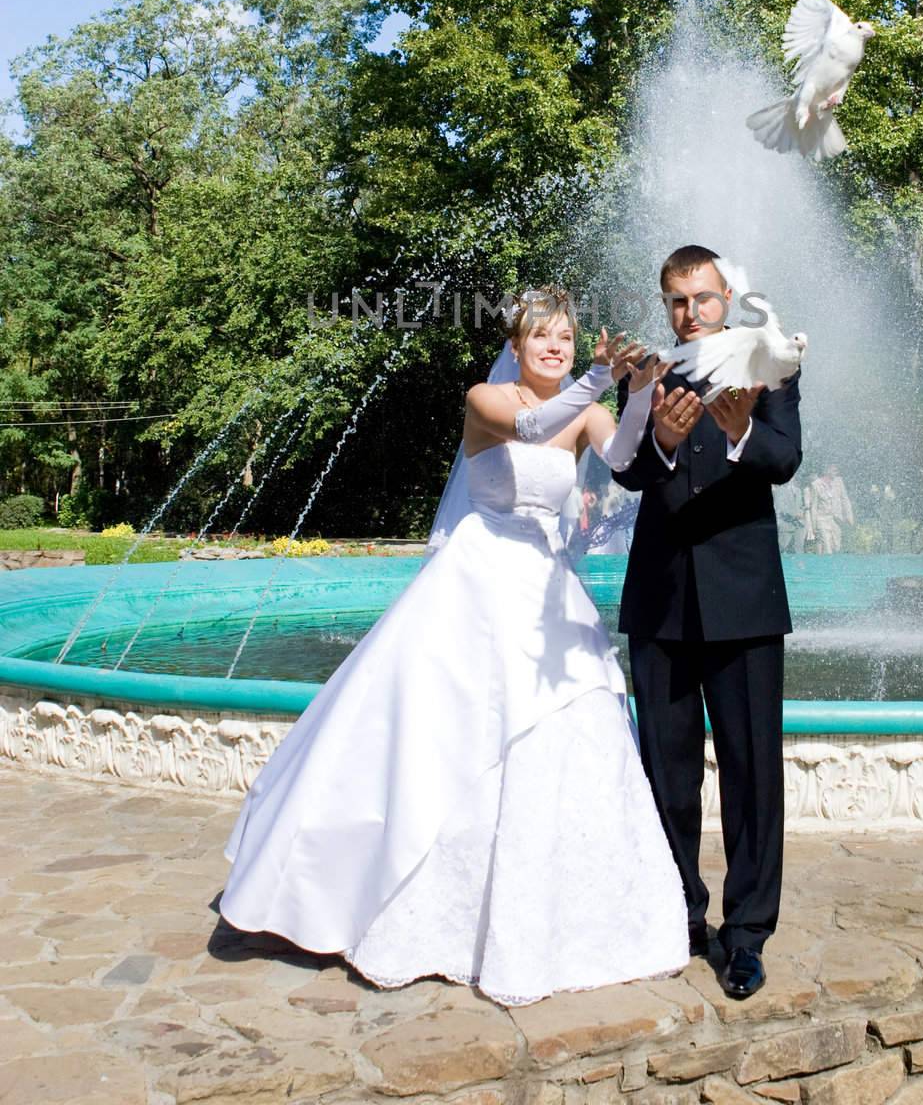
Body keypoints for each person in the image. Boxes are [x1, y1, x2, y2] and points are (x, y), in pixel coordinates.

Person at [218, 289, 690, 1007]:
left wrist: (639, 393)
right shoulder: (486, 397)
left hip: (545, 584)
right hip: (479, 570)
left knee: (564, 726)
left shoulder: (586, 407)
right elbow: (531, 426)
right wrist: (598, 376)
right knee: (447, 729)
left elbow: (626, 461)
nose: (555, 347)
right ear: (518, 343)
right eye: (542, 337)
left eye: (565, 337)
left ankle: (562, 916)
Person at [611, 245, 802, 1001]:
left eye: (703, 298)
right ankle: (679, 916)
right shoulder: (646, 372)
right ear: (666, 306)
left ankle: (747, 934)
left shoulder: (769, 359)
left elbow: (784, 457)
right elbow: (625, 469)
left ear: (727, 296)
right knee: (667, 774)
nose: (691, 312)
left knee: (753, 775)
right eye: (677, 301)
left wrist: (738, 433)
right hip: (658, 601)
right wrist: (658, 436)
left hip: (744, 600)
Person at [805, 463, 853, 553]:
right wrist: (814, 525)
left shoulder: (839, 481)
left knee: (836, 546)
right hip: (822, 519)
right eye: (834, 470)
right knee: (827, 547)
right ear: (826, 470)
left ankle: (832, 564)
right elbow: (814, 506)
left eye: (837, 470)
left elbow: (845, 499)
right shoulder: (815, 485)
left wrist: (849, 516)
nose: (836, 472)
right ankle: (827, 564)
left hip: (836, 519)